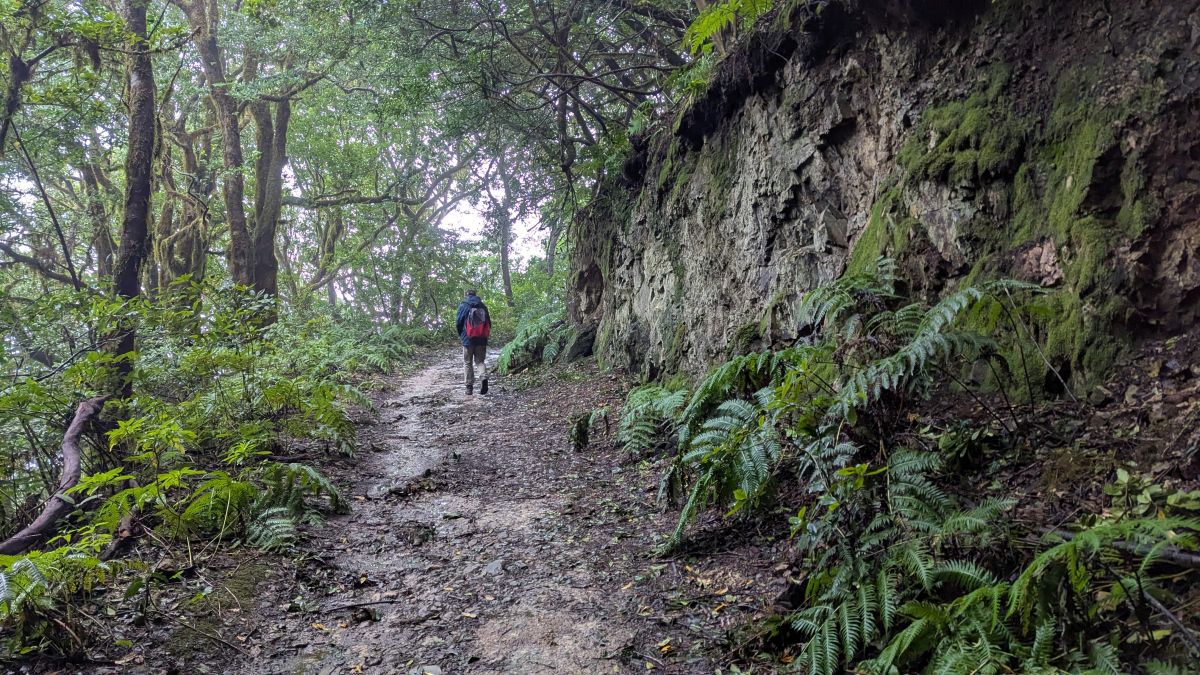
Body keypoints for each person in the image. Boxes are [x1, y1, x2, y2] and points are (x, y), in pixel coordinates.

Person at [455, 289, 492, 395]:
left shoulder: (464, 306)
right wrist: (484, 335)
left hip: (468, 339)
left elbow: (458, 322)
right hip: (481, 339)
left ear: (466, 295)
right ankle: (483, 377)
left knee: (467, 363)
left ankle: (469, 387)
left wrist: (462, 335)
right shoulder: (483, 306)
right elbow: (489, 323)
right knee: (480, 362)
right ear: (475, 295)